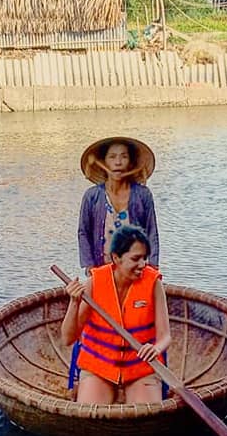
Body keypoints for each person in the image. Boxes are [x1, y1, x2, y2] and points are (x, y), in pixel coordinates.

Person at [61, 224, 171, 404]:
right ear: (116, 258)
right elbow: (67, 338)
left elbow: (165, 336)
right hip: (99, 366)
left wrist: (156, 349)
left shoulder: (153, 283)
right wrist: (74, 303)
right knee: (92, 414)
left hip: (141, 368)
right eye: (135, 259)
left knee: (144, 415)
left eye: (144, 258)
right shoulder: (95, 282)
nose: (142, 265)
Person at [77, 137, 159, 272]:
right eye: (112, 157)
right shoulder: (92, 196)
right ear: (104, 161)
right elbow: (83, 232)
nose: (118, 162)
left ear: (131, 163)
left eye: (124, 157)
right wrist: (90, 266)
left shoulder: (143, 194)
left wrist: (153, 264)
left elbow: (151, 231)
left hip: (135, 269)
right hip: (102, 267)